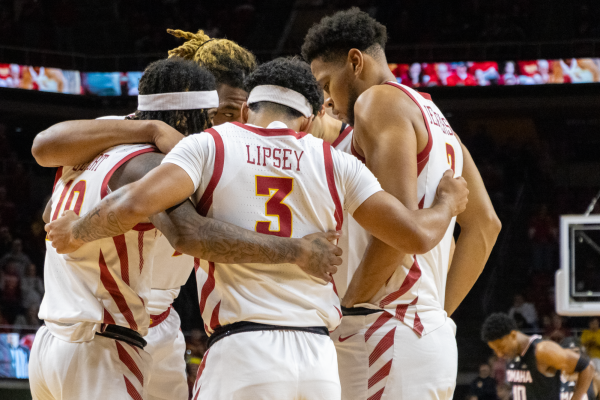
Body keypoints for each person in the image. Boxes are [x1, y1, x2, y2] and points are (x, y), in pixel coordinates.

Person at [46, 57, 469, 400]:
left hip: (241, 352)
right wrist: (447, 203)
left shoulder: (212, 143)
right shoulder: (336, 162)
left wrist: (78, 230)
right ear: (310, 116)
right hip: (318, 361)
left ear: (247, 108)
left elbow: (135, 202)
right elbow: (414, 236)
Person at [34, 57, 342, 400]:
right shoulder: (158, 163)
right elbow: (190, 233)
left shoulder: (100, 141)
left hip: (62, 332)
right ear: (183, 116)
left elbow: (49, 200)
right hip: (107, 333)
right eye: (212, 115)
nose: (217, 125)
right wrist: (297, 250)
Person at [302, 8, 501, 399]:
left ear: (355, 62)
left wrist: (350, 304)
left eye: (326, 83)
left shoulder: (377, 103)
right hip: (421, 334)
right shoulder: (434, 116)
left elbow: (398, 232)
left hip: (381, 329)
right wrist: (437, 314)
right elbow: (485, 225)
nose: (326, 99)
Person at [482, 313, 594, 400]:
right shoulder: (511, 356)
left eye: (501, 347)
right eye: (495, 350)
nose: (500, 354)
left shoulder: (542, 351)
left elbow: (586, 367)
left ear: (513, 335)